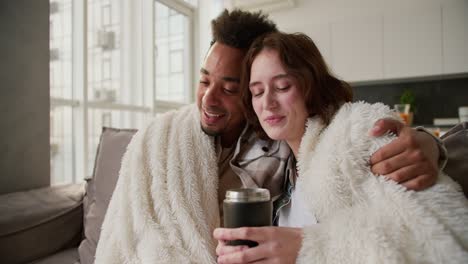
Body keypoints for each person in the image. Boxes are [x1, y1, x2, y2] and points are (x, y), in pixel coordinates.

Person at [95, 10, 444, 263]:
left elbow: (348, 134)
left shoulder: (284, 135)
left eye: (230, 88)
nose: (208, 99)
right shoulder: (168, 138)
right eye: (204, 81)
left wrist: (431, 143)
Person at [214, 32, 468, 263]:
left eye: (282, 87)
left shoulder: (356, 132)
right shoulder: (277, 167)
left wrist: (311, 247)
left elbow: (437, 239)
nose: (267, 103)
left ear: (310, 85)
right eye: (257, 92)